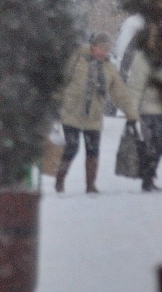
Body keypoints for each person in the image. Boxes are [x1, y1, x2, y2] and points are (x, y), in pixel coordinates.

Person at [55, 31, 139, 194]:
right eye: (100, 48)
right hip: (72, 113)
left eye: (106, 49)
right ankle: (60, 181)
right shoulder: (78, 58)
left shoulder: (109, 69)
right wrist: (55, 103)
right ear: (93, 46)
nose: (103, 52)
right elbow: (62, 80)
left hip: (94, 116)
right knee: (72, 148)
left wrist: (131, 113)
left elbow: (120, 93)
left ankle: (90, 185)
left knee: (93, 151)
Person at [127, 23, 162, 192]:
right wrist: (131, 113)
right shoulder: (143, 58)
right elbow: (135, 86)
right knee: (152, 144)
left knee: (159, 145)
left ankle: (149, 176)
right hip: (148, 109)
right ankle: (147, 178)